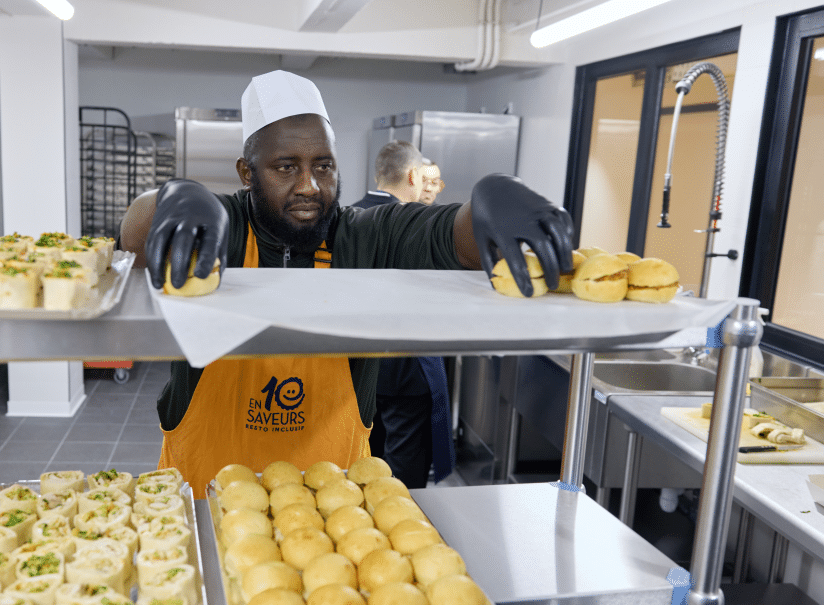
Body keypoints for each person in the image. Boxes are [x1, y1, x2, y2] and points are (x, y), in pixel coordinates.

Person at [119, 70, 573, 496]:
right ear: (246, 172)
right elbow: (136, 234)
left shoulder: (364, 234)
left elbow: (452, 236)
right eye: (285, 167)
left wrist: (491, 199)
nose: (309, 186)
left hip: (331, 516)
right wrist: (170, 198)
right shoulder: (221, 227)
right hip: (205, 501)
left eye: (323, 166)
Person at [353, 143, 454, 489]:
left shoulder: (346, 217)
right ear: (413, 175)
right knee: (404, 473)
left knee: (359, 460)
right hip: (407, 370)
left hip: (355, 368)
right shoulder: (419, 224)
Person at [354, 140, 428, 207]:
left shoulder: (349, 214)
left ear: (376, 177)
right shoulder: (407, 219)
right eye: (422, 178)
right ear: (412, 176)